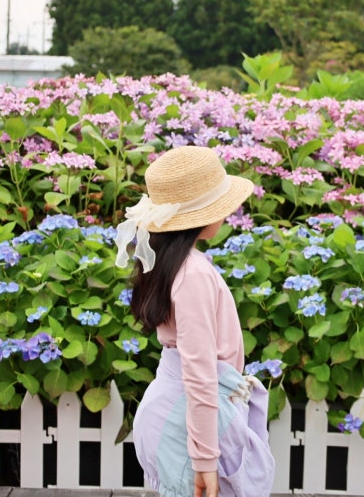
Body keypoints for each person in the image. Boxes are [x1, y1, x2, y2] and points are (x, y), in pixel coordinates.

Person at [115, 145, 275, 497]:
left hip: (171, 412)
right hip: (189, 424)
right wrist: (205, 460)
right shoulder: (193, 273)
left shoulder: (168, 261)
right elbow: (200, 374)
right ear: (202, 215)